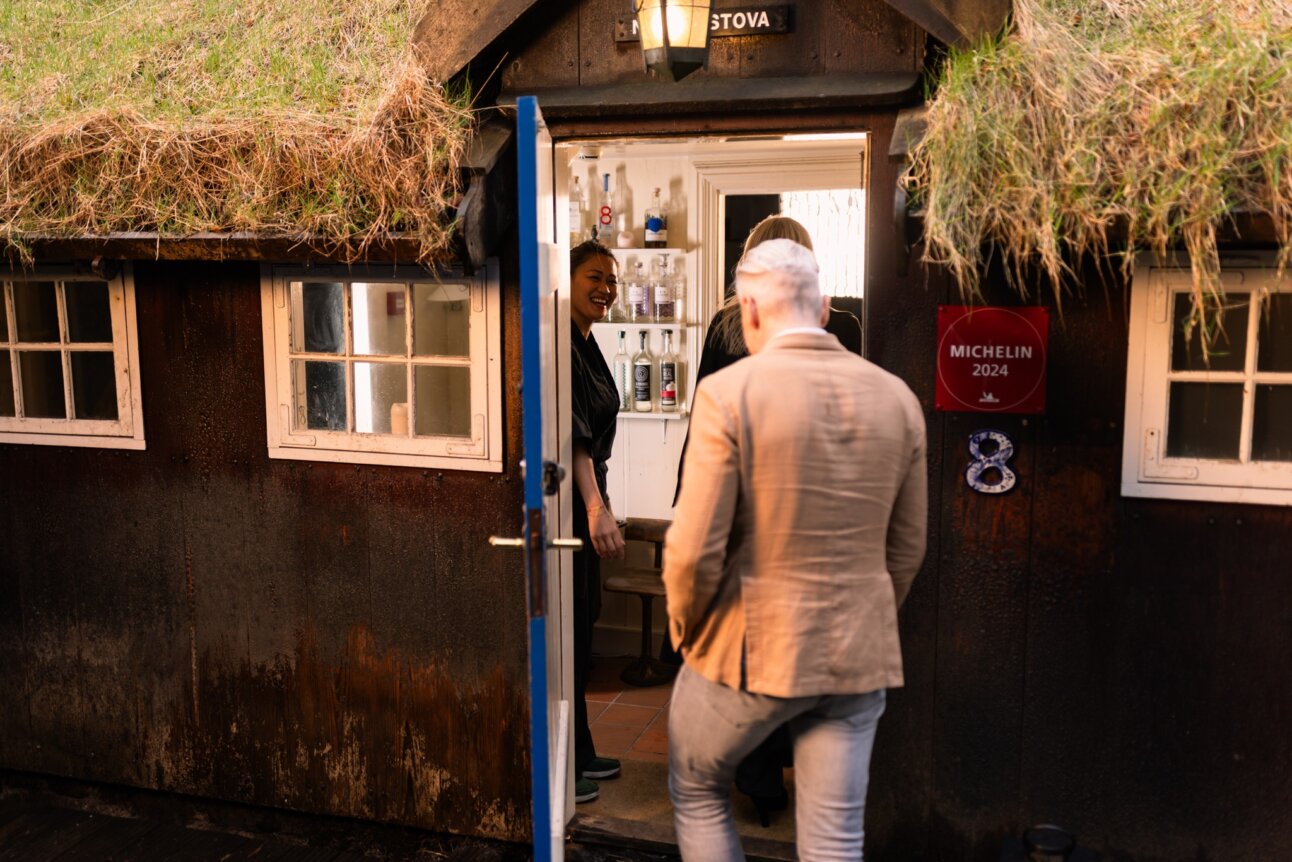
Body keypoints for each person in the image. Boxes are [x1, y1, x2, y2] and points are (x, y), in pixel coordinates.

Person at [663, 239, 927, 861]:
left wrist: (686, 629)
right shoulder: (898, 399)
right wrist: (866, 617)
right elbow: (907, 550)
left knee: (697, 786)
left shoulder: (728, 395)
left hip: (756, 649)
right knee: (835, 838)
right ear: (826, 307)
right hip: (857, 654)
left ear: (748, 309)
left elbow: (693, 551)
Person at [667, 215, 864, 824]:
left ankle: (755, 778)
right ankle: (793, 774)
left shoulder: (731, 325)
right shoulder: (847, 324)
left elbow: (706, 421)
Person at [568, 240, 627, 804]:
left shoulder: (587, 343)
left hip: (591, 492)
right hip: (567, 498)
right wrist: (594, 507)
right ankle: (563, 763)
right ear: (566, 278)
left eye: (612, 279)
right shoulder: (560, 346)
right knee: (569, 629)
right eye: (594, 276)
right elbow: (575, 438)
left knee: (585, 622)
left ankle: (580, 747)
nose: (606, 288)